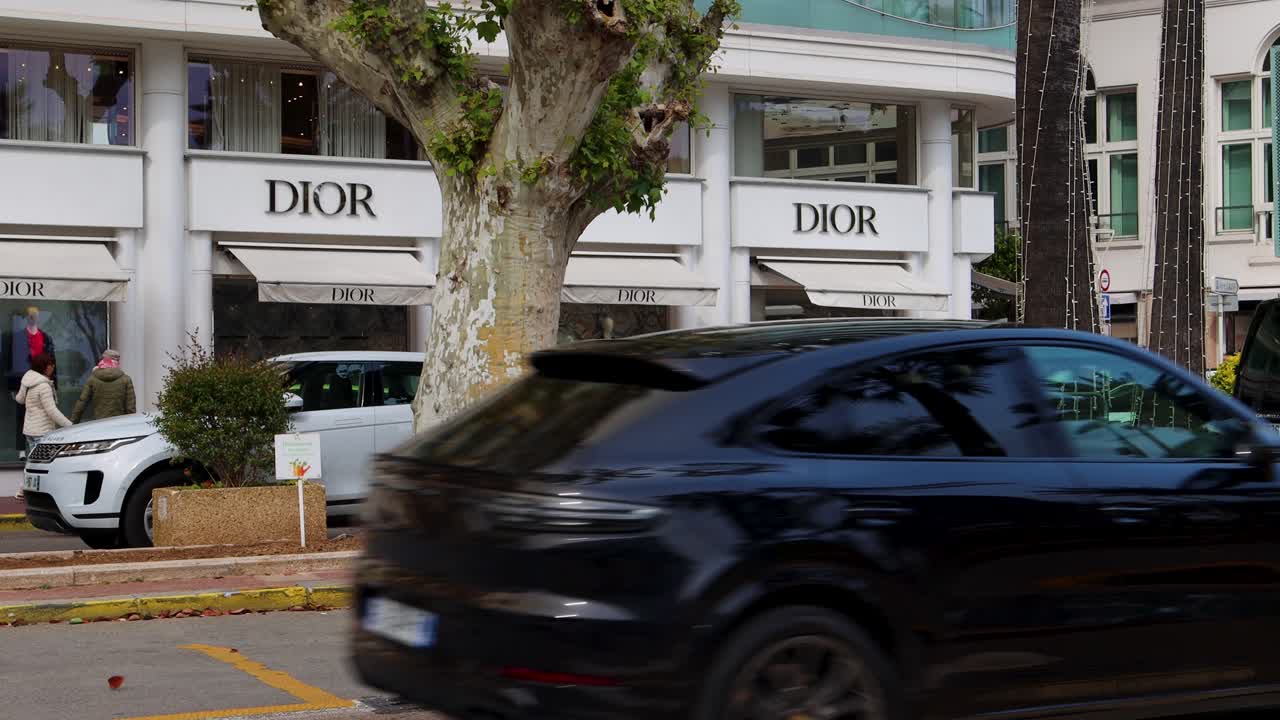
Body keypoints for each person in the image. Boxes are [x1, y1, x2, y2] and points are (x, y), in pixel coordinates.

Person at [15, 353, 71, 499]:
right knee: (44, 464)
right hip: (42, 431)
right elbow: (52, 411)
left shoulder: (27, 380)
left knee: (36, 462)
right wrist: (70, 426)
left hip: (30, 430)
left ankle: (26, 490)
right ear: (45, 367)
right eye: (51, 365)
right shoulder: (44, 386)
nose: (53, 367)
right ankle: (25, 490)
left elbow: (19, 399)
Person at [72, 350, 137, 423]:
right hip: (120, 424)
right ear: (117, 362)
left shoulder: (93, 379)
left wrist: (74, 422)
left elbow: (82, 402)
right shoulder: (126, 379)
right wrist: (131, 424)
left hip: (99, 423)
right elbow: (130, 407)